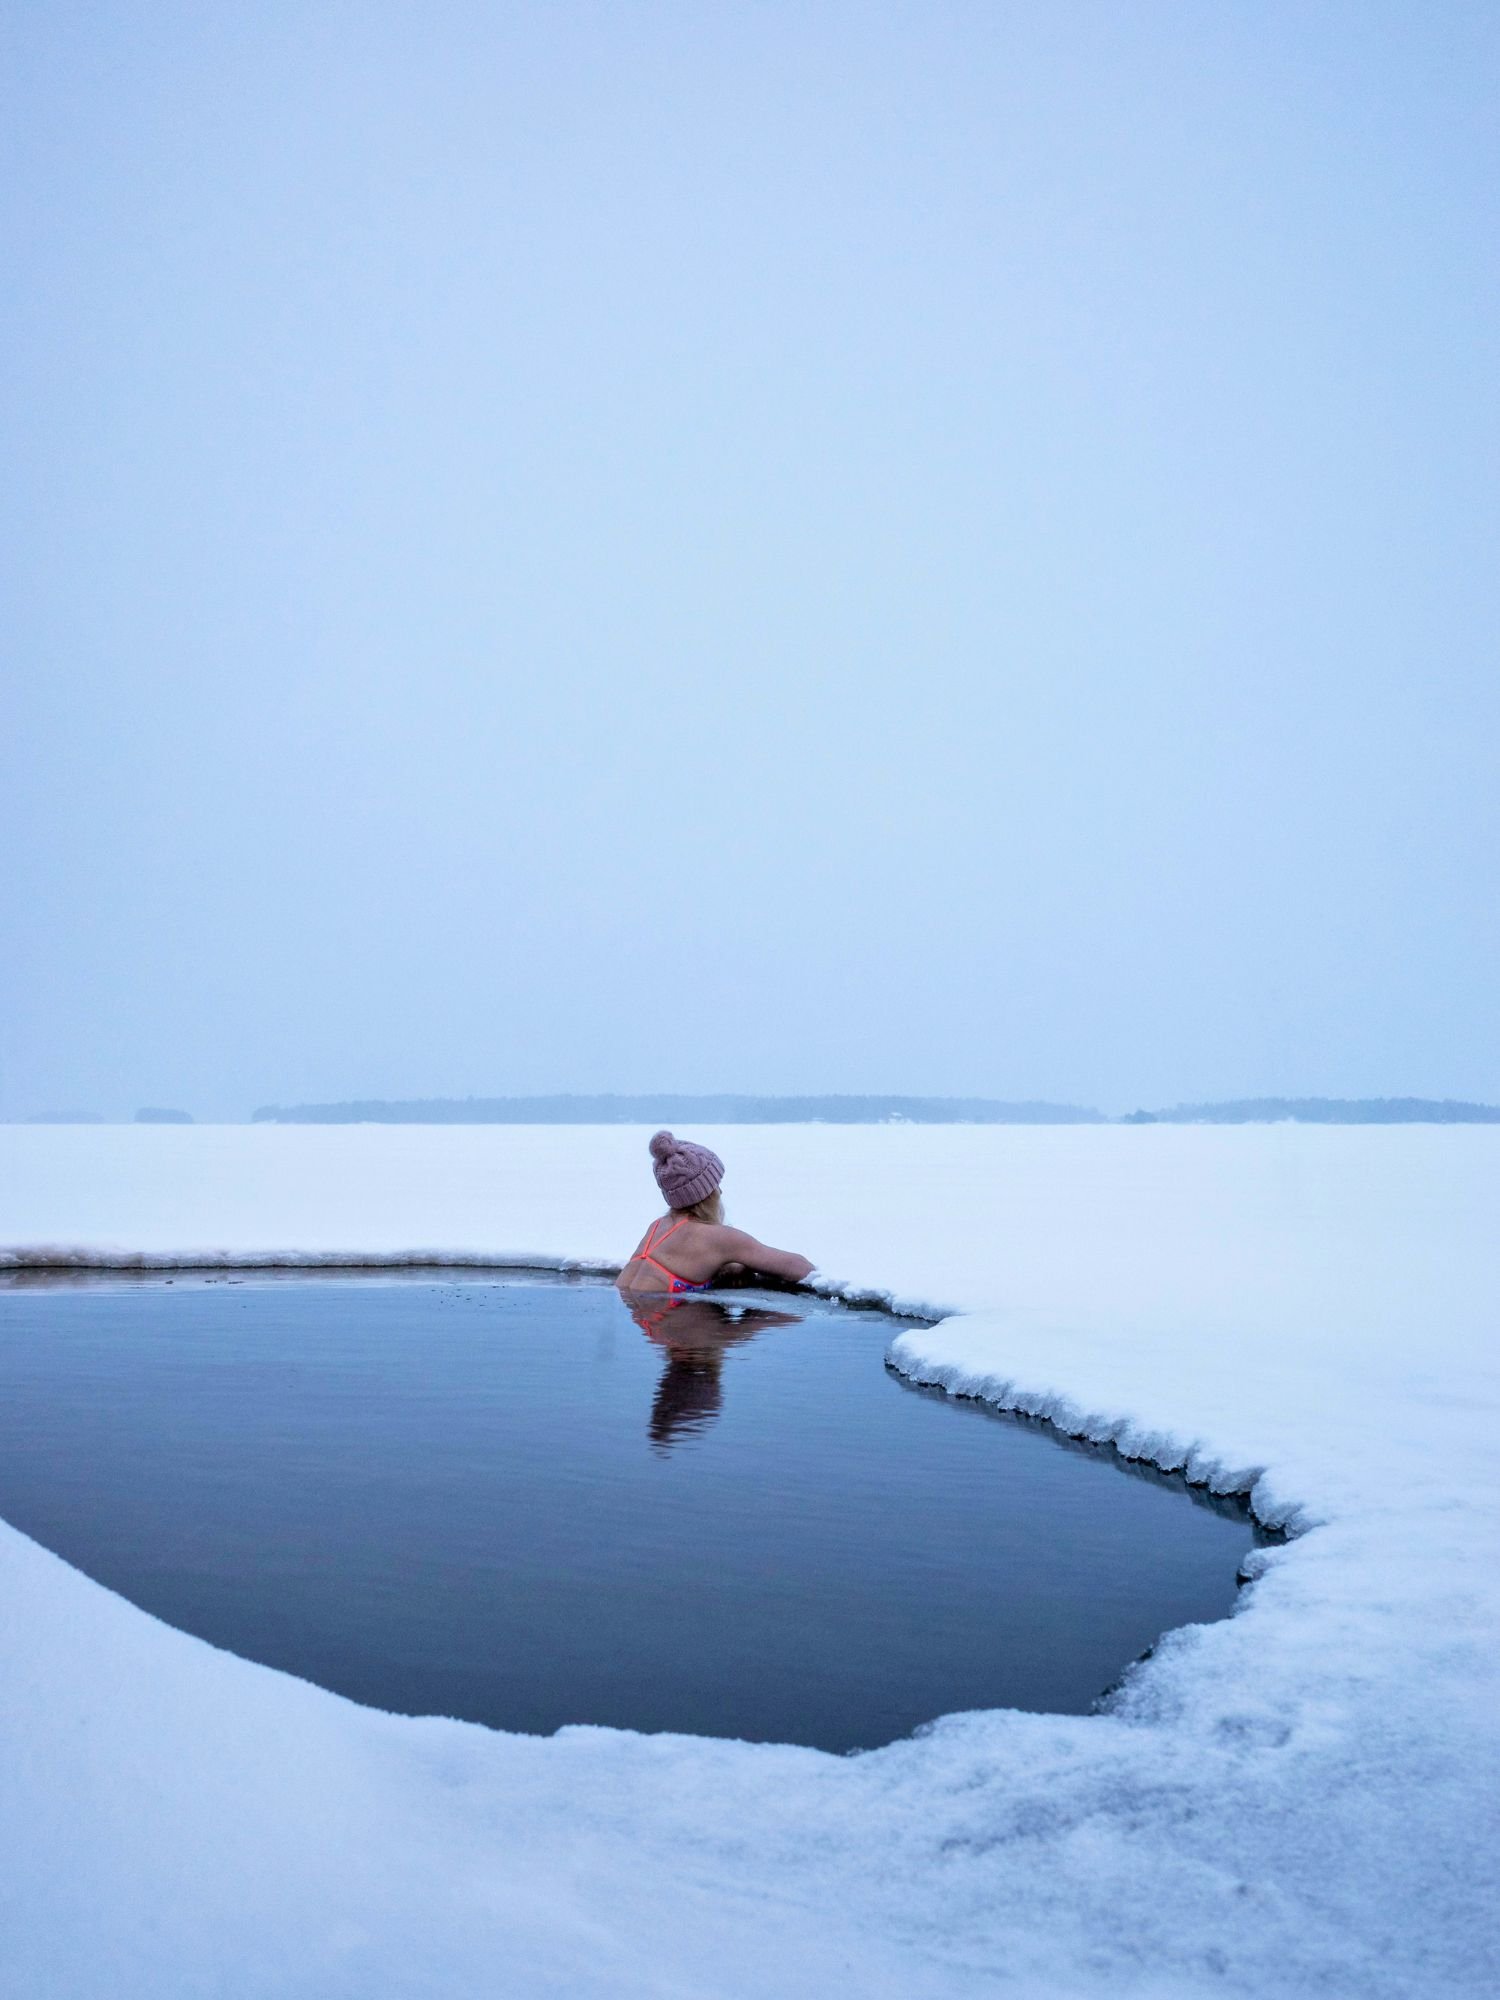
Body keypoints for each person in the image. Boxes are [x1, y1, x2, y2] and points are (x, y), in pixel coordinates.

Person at [617, 1130, 814, 1296]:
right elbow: (801, 1268)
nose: (720, 1192)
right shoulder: (718, 1238)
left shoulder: (657, 1226)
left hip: (641, 1328)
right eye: (716, 1185)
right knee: (766, 1320)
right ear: (707, 1193)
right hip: (673, 1328)